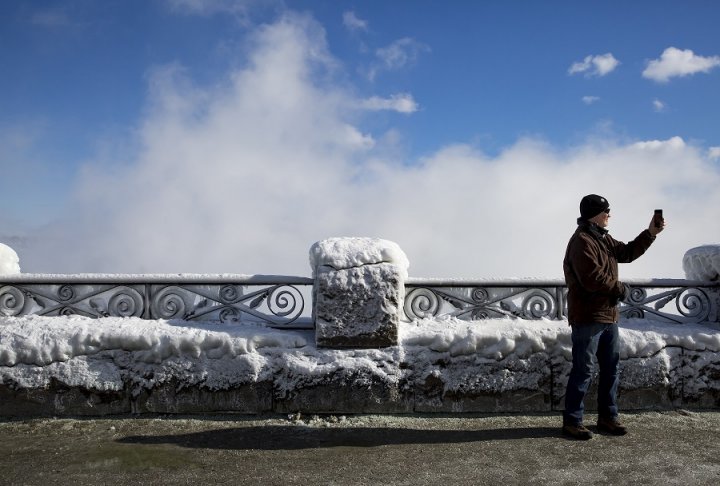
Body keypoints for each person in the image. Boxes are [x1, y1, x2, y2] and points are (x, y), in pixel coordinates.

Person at [562, 194, 665, 440]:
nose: (610, 214)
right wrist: (621, 289)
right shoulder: (582, 241)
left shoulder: (602, 238)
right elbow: (593, 279)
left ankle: (608, 417)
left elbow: (627, 252)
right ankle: (572, 421)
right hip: (588, 317)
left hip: (608, 316)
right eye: (606, 211)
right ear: (594, 214)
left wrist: (650, 233)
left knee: (611, 370)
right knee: (583, 370)